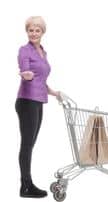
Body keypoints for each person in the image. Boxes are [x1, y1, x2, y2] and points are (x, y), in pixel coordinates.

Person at [16, 16, 60, 199]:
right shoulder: (24, 50)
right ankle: (26, 186)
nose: (34, 33)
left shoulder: (42, 51)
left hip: (38, 101)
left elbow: (41, 79)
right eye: (31, 30)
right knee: (27, 145)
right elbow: (25, 71)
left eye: (37, 30)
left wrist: (53, 92)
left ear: (42, 32)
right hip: (27, 101)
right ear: (27, 32)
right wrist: (24, 74)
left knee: (31, 144)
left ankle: (26, 184)